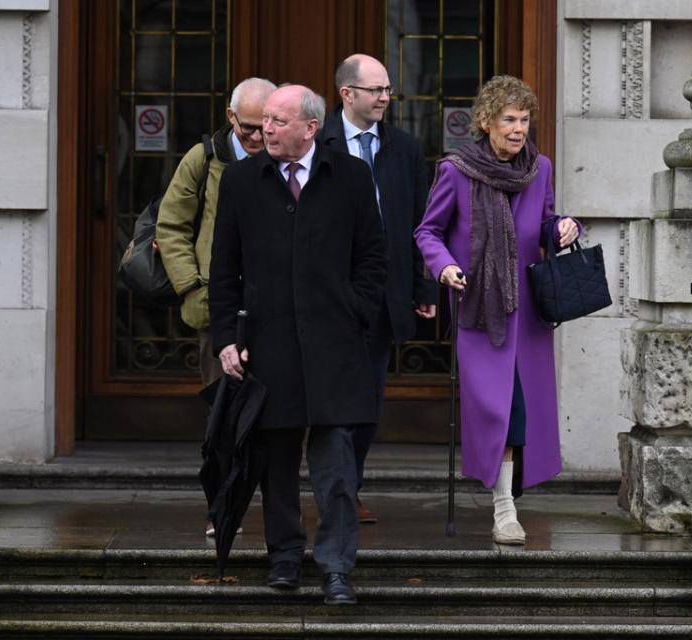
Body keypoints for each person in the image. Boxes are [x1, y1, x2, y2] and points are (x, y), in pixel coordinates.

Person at [209, 85, 387, 605]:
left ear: (311, 128)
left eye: (278, 121)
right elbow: (225, 271)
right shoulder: (241, 179)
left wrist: (355, 311)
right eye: (264, 120)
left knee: (336, 469)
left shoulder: (350, 176)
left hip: (335, 347)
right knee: (276, 465)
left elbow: (374, 259)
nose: (266, 129)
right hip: (267, 346)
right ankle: (284, 559)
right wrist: (227, 339)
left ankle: (336, 568)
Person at [414, 75, 581, 546]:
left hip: (527, 311)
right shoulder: (456, 170)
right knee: (497, 407)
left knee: (522, 408)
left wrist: (565, 228)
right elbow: (428, 231)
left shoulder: (539, 168)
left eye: (524, 120)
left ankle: (507, 503)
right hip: (479, 306)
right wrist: (444, 268)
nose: (518, 129)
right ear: (486, 122)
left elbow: (545, 221)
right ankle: (503, 509)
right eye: (509, 119)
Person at [319, 53, 438, 524]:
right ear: (347, 94)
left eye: (388, 90)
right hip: (329, 299)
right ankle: (334, 492)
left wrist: (424, 288)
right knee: (332, 401)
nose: (386, 98)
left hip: (383, 298)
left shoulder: (405, 148)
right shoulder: (320, 142)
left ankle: (350, 488)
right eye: (376, 90)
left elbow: (419, 221)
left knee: (367, 403)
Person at [156, 77, 276, 538]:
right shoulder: (203, 158)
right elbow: (171, 226)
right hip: (217, 310)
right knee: (223, 414)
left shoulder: (283, 157)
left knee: (274, 414)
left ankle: (271, 505)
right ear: (231, 119)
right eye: (250, 128)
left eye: (267, 125)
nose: (259, 136)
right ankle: (223, 508)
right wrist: (192, 289)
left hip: (272, 310)